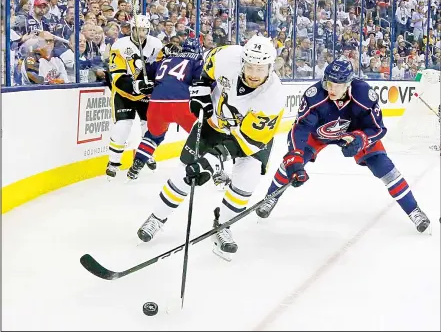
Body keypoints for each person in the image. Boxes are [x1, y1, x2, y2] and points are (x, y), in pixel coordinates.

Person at [136, 35, 285, 260]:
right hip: (214, 122)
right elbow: (205, 70)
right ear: (242, 61)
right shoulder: (227, 56)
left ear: (270, 67)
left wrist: (213, 161)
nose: (254, 74)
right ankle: (157, 217)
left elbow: (247, 142)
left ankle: (223, 225)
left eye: (261, 68)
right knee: (184, 173)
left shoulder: (274, 96)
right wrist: (201, 91)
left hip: (250, 138)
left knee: (247, 178)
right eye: (250, 66)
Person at [255, 58, 431, 234]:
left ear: (348, 83)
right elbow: (300, 128)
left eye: (337, 85)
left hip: (354, 134)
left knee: (384, 168)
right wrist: (295, 155)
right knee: (291, 163)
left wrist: (361, 139)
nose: (331, 88)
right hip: (318, 134)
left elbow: (378, 129)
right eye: (328, 83)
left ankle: (414, 211)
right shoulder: (314, 95)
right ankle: (271, 198)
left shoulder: (364, 95)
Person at [127, 38, 206, 179]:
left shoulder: (166, 59)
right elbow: (200, 82)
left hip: (157, 102)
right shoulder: (198, 60)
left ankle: (137, 163)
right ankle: (215, 171)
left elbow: (145, 72)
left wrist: (142, 79)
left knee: (153, 135)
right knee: (203, 136)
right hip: (182, 103)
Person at [105, 15, 162, 179]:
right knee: (123, 126)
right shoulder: (120, 46)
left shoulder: (156, 45)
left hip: (146, 93)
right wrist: (135, 85)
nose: (141, 34)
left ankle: (147, 153)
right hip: (124, 93)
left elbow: (161, 67)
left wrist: (153, 82)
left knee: (150, 126)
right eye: (138, 30)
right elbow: (116, 76)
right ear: (132, 29)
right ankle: (113, 161)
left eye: (144, 30)